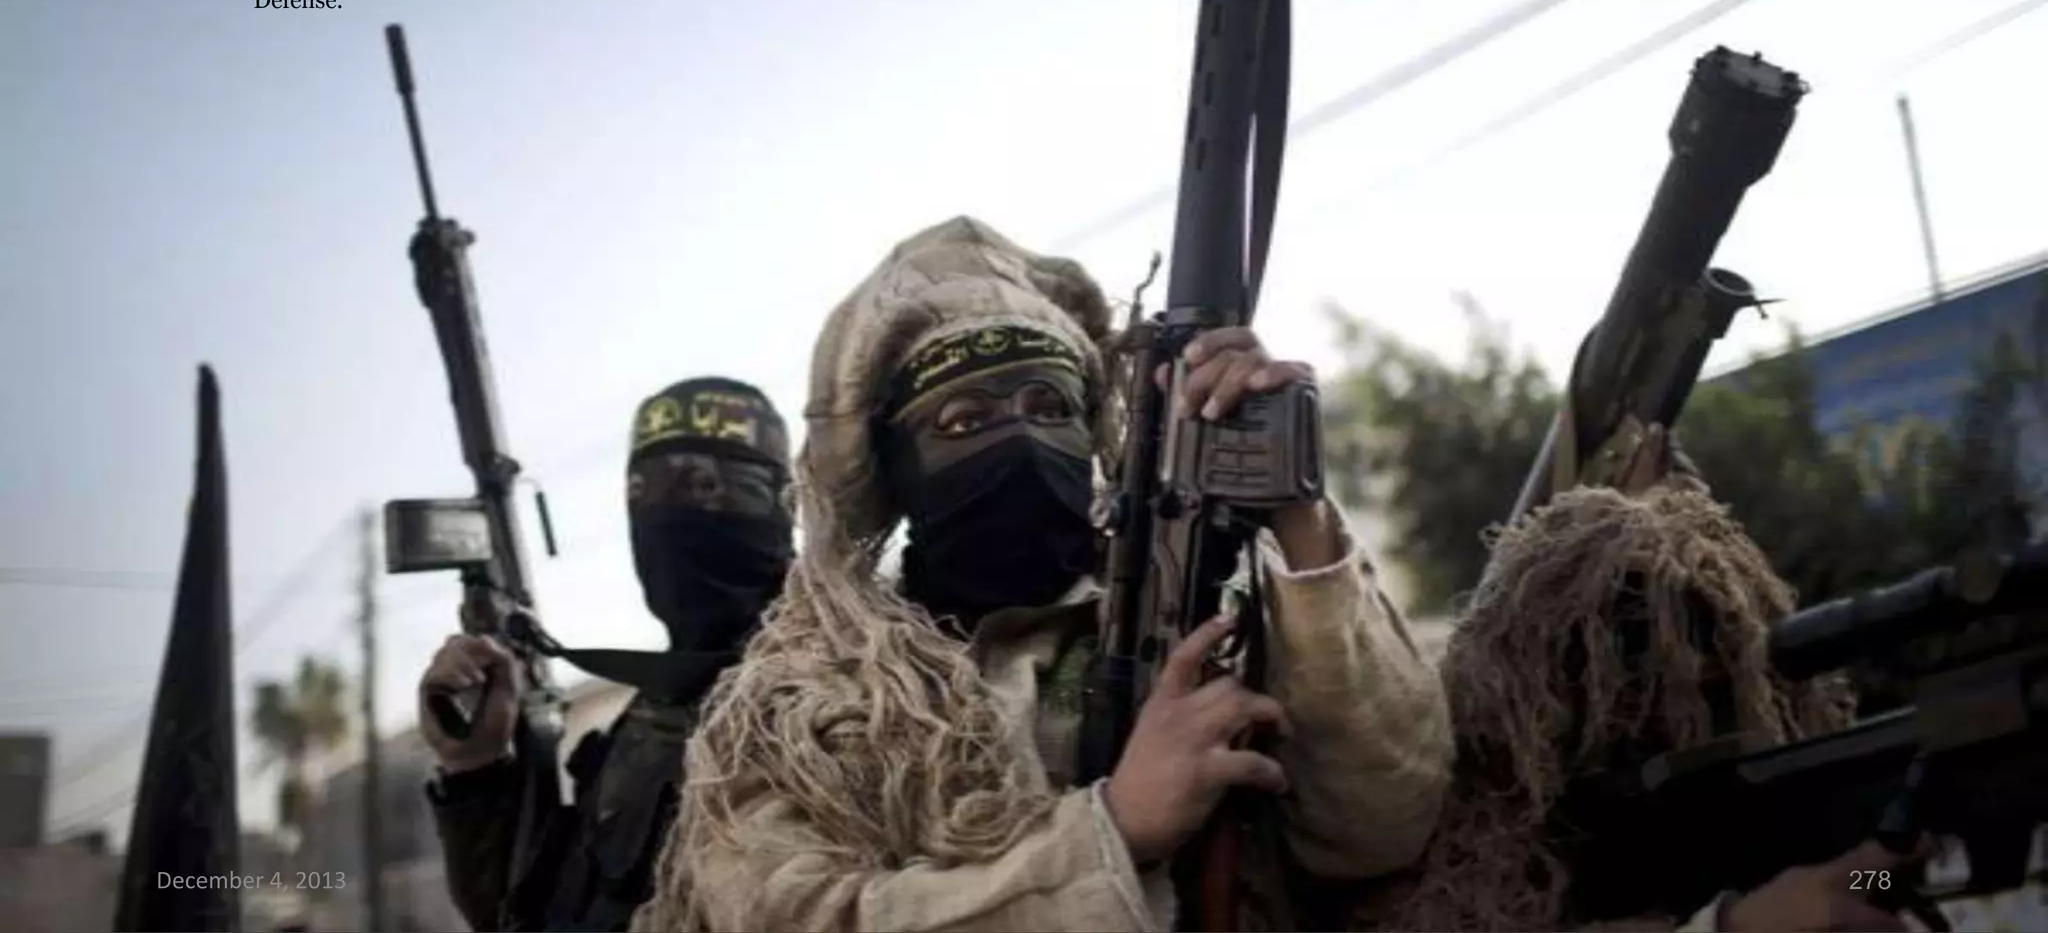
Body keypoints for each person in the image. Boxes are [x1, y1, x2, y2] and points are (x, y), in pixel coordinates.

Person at [632, 216, 1453, 932]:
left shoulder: (1217, 617)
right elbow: (789, 915)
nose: (1021, 441)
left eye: (1051, 407)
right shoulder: (804, 703)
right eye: (963, 420)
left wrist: (1296, 514)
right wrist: (1115, 833)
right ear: (896, 468)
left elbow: (1384, 827)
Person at [1358, 446, 1928, 933]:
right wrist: (1731, 926)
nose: (1675, 704)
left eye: (1716, 668)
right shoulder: (1474, 859)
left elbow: (1857, 878)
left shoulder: (1794, 789)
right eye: (1619, 676)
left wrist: (1887, 873)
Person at [421, 376, 797, 932]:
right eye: (648, 490)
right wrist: (475, 766)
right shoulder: (651, 714)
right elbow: (524, 911)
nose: (679, 512)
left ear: (787, 505)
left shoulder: (838, 697)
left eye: (713, 484)